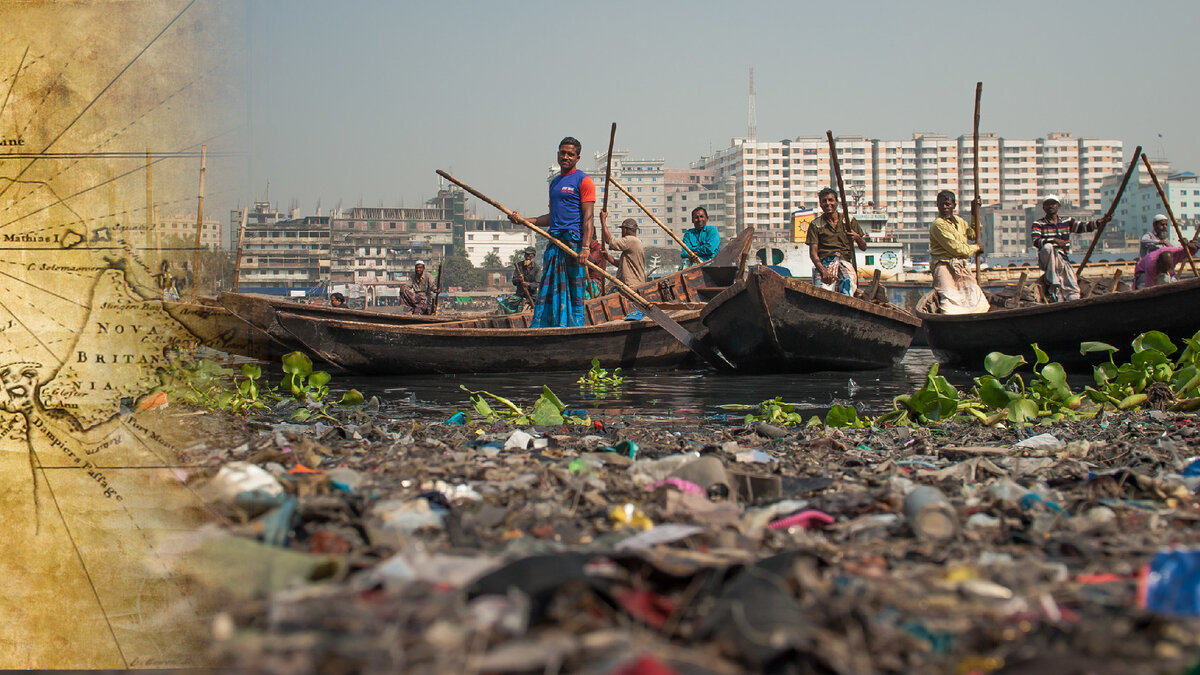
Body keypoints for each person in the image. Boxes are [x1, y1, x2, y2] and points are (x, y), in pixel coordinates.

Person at [508, 136, 595, 327]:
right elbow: (551, 217)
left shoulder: (584, 181)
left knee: (574, 290)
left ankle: (575, 326)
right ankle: (551, 326)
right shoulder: (554, 183)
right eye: (563, 153)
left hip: (573, 242)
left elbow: (588, 217)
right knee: (550, 288)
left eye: (570, 154)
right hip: (555, 242)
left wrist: (586, 247)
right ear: (558, 154)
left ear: (577, 158)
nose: (566, 157)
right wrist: (524, 221)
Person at [1031, 194, 1110, 302]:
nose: (1051, 206)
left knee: (1070, 284)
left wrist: (1101, 222)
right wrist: (1054, 240)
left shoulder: (1067, 221)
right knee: (1048, 247)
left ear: (1058, 206)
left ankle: (1070, 298)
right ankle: (1053, 282)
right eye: (1048, 204)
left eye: (1053, 204)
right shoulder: (1038, 224)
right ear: (1043, 207)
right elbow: (1036, 241)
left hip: (1062, 259)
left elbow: (1085, 227)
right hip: (1046, 258)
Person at [928, 190, 989, 314]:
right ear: (937, 206)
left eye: (948, 204)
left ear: (954, 206)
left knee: (976, 299)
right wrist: (977, 248)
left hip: (960, 266)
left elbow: (974, 234)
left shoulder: (959, 221)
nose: (944, 207)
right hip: (943, 265)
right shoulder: (938, 225)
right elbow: (958, 249)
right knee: (950, 301)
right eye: (941, 205)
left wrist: (974, 212)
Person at [806, 187, 867, 296]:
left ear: (836, 202)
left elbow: (863, 247)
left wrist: (857, 237)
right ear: (820, 204)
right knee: (821, 293)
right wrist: (823, 271)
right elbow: (813, 253)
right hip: (824, 262)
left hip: (844, 261)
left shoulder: (848, 220)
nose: (828, 203)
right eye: (824, 201)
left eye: (830, 200)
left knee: (848, 284)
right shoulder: (816, 224)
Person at [600, 209, 647, 286]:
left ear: (625, 230)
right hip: (633, 284)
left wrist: (603, 221)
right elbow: (621, 265)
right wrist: (608, 257)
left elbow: (609, 240)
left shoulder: (631, 240)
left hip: (632, 286)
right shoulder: (635, 242)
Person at [1133, 241, 1199, 289]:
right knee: (1158, 284)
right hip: (1143, 275)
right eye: (1164, 269)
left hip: (1159, 272)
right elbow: (1149, 287)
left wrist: (1194, 246)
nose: (1166, 270)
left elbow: (1187, 251)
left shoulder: (1175, 252)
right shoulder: (1151, 265)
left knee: (1167, 282)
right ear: (1159, 263)